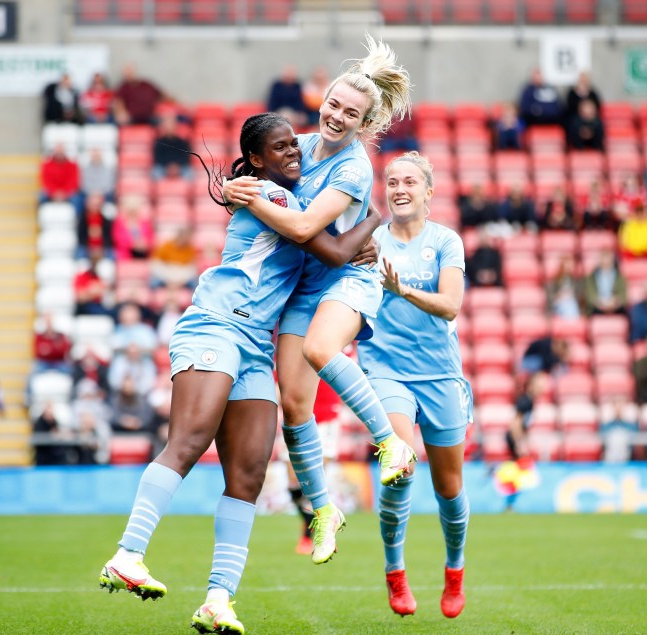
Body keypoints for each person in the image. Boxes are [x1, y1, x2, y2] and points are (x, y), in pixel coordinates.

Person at [99, 112, 380, 634]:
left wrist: (352, 243)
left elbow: (330, 255)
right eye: (279, 148)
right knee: (188, 441)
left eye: (294, 144)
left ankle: (218, 599)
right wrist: (374, 222)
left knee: (248, 476)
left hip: (254, 344)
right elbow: (334, 250)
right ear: (255, 160)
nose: (293, 153)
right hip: (214, 327)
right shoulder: (270, 199)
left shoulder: (278, 197)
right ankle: (127, 554)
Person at [222, 38, 416, 566]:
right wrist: (235, 186)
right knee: (294, 406)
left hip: (346, 277)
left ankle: (390, 442)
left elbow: (307, 226)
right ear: (322, 100)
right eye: (333, 104)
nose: (337, 116)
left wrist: (255, 196)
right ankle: (323, 509)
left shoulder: (354, 169)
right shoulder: (297, 145)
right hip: (302, 287)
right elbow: (252, 171)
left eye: (351, 113)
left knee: (322, 349)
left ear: (363, 124)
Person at [355, 152, 471, 618]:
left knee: (449, 487)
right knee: (401, 466)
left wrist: (403, 291)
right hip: (386, 371)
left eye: (409, 182)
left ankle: (455, 569)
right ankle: (395, 572)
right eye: (392, 181)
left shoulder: (446, 241)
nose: (399, 188)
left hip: (441, 375)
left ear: (428, 192)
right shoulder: (370, 241)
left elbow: (450, 305)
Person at [152, 111, 193, 180]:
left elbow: (186, 157)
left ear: (175, 125)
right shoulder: (159, 143)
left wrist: (177, 167)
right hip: (164, 167)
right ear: (163, 126)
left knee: (190, 173)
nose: (169, 126)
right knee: (155, 173)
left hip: (180, 167)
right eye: (167, 124)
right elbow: (157, 158)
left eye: (171, 123)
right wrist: (168, 167)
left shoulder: (182, 142)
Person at [112, 195, 155, 261]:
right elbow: (118, 239)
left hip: (144, 254)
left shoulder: (145, 222)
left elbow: (151, 239)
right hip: (126, 255)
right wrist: (133, 244)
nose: (133, 212)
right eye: (131, 209)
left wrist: (144, 244)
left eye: (134, 209)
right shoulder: (119, 222)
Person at [584, 251, 627, 316]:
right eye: (604, 260)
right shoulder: (591, 277)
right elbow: (590, 295)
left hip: (616, 307)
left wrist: (614, 302)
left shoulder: (620, 277)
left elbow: (623, 296)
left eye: (608, 260)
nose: (606, 263)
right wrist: (601, 302)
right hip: (597, 307)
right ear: (600, 262)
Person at [40, 143, 82, 207]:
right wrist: (54, 193)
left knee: (77, 199)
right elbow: (46, 181)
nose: (59, 153)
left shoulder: (73, 165)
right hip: (52, 193)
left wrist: (65, 193)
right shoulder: (46, 165)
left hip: (68, 193)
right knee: (41, 197)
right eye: (58, 151)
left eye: (61, 151)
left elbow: (74, 181)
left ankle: (77, 217)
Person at [267, 64, 307, 129]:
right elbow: (272, 102)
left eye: (291, 73)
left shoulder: (297, 86)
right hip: (279, 112)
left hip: (294, 113)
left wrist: (301, 113)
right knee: (286, 117)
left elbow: (300, 102)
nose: (289, 75)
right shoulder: (277, 85)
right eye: (288, 73)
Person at [77, 192, 114, 260]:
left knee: (111, 257)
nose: (95, 207)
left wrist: (101, 249)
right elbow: (80, 238)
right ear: (87, 204)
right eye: (93, 205)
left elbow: (109, 238)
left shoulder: (106, 219)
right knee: (80, 259)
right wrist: (90, 249)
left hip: (103, 248)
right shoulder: (82, 219)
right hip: (86, 249)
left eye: (97, 205)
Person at [546, 255, 582, 319]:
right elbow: (551, 296)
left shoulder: (574, 280)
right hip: (559, 303)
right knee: (568, 306)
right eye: (567, 264)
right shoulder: (556, 279)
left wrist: (570, 294)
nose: (569, 266)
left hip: (571, 301)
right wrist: (559, 295)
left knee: (571, 304)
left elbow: (578, 295)